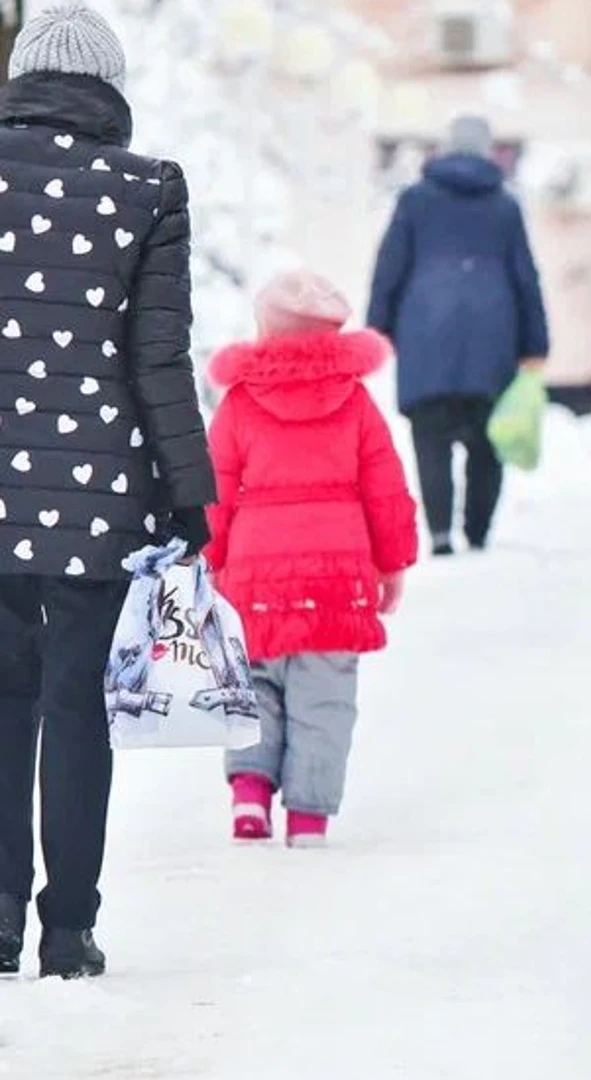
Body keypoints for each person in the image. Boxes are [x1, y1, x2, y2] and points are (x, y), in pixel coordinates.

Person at [0, 4, 216, 978]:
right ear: (110, 91)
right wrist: (189, 494)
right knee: (76, 705)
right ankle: (69, 929)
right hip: (97, 497)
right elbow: (157, 360)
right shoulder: (146, 189)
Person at [205, 270, 419, 849]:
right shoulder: (355, 401)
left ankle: (249, 789)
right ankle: (308, 818)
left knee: (252, 681)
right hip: (338, 576)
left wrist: (211, 560)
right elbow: (386, 488)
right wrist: (392, 562)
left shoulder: (241, 403)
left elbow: (215, 492)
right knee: (325, 695)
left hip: (253, 575)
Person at [366, 114, 547, 557]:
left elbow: (390, 266)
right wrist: (534, 343)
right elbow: (525, 277)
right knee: (488, 437)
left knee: (431, 435)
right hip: (494, 333)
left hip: (426, 328)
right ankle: (478, 532)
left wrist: (379, 326)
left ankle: (441, 533)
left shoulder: (414, 200)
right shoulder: (505, 205)